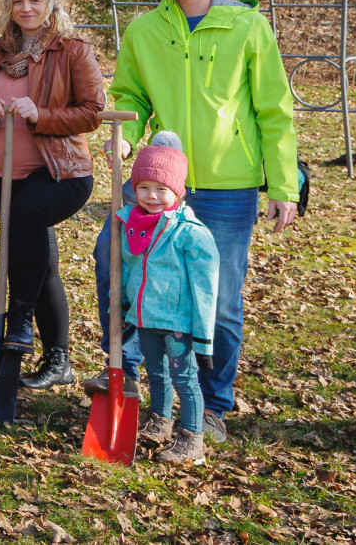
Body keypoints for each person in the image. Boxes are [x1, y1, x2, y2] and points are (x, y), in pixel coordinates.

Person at [91, 0, 298, 444]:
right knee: (114, 262)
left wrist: (283, 186)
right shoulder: (144, 30)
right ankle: (130, 371)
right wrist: (123, 134)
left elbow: (274, 110)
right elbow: (131, 96)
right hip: (158, 187)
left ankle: (212, 405)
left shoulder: (247, 27)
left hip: (227, 188)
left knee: (219, 298)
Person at [0, 0, 104, 388]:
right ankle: (59, 360)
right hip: (6, 172)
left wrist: (40, 115)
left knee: (24, 224)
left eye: (35, 1)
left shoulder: (73, 50)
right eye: (18, 1)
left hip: (61, 172)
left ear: (50, 3)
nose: (26, 8)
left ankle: (19, 323)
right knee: (37, 261)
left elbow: (93, 111)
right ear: (9, 4)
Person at [120, 138, 220, 465]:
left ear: (178, 192)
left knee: (183, 378)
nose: (152, 196)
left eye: (162, 189)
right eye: (144, 187)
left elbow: (205, 288)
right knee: (156, 373)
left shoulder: (191, 233)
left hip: (178, 325)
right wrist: (123, 310)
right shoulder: (131, 225)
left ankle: (192, 437)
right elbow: (129, 271)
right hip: (146, 320)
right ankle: (160, 421)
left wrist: (204, 339)